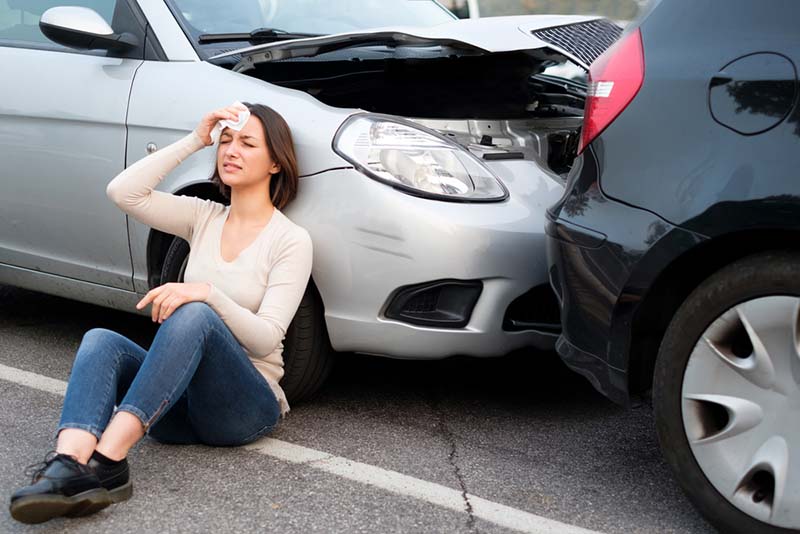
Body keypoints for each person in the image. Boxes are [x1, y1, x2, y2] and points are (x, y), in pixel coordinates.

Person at [9, 103, 313, 524]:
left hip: (242, 407)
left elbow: (265, 338)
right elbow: (123, 192)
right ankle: (68, 466)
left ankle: (109, 461)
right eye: (226, 140)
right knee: (101, 340)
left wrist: (207, 294)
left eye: (247, 143)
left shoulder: (291, 241)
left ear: (276, 161)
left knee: (196, 312)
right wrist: (195, 139)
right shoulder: (204, 216)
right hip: (177, 408)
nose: (231, 150)